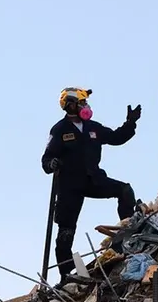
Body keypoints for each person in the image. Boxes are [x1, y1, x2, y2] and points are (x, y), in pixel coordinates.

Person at [41, 87, 143, 283]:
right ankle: (67, 274)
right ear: (70, 106)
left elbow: (116, 137)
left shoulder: (93, 127)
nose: (86, 107)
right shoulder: (60, 130)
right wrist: (51, 164)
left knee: (124, 190)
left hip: (93, 179)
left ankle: (128, 232)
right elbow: (47, 158)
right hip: (69, 186)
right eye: (82, 103)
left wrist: (130, 123)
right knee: (66, 231)